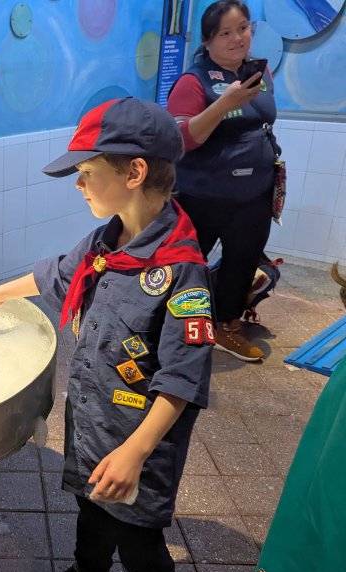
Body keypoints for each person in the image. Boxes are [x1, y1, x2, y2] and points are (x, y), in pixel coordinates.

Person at [0, 97, 213, 572]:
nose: (78, 185)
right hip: (93, 426)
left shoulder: (181, 272)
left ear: (135, 172)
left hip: (138, 442)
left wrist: (135, 453)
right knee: (92, 512)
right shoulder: (106, 241)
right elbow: (56, 273)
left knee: (140, 540)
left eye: (85, 173)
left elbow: (181, 381)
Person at [166, 0, 278, 362]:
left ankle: (226, 325)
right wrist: (222, 104)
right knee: (184, 267)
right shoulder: (192, 80)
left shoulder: (259, 74)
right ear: (208, 40)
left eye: (243, 28)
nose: (237, 39)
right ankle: (168, 332)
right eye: (225, 33)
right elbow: (181, 139)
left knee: (241, 263)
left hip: (254, 193)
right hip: (202, 196)